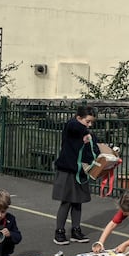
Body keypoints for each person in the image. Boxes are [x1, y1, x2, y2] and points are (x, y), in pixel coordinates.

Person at [52, 104, 100, 246]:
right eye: (87, 121)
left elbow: (94, 146)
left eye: (92, 122)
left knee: (77, 202)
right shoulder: (72, 126)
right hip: (67, 170)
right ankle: (59, 231)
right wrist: (85, 131)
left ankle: (75, 230)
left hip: (80, 171)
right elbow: (74, 126)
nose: (89, 125)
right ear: (79, 118)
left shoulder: (85, 132)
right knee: (66, 202)